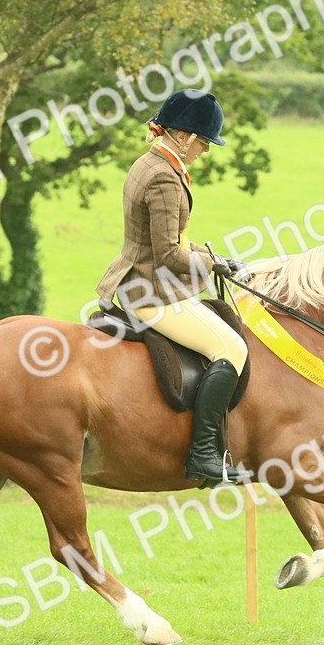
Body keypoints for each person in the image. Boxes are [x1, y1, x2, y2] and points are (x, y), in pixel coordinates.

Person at [95, 89, 252, 488]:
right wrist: (211, 265)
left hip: (140, 277)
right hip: (151, 290)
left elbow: (173, 240)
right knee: (231, 348)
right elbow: (167, 253)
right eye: (203, 142)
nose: (205, 150)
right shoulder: (164, 177)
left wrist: (213, 255)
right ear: (182, 136)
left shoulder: (151, 163)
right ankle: (203, 455)